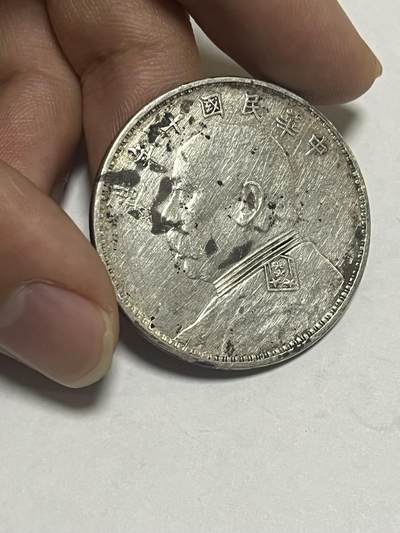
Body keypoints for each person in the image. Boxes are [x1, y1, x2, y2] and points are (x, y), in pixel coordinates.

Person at [0, 0, 381, 387]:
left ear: (247, 204)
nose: (162, 214)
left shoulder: (285, 302)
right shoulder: (255, 297)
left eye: (182, 193)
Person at [159, 125, 343, 355]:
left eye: (186, 194)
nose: (167, 215)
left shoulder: (280, 311)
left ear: (248, 203)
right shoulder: (248, 299)